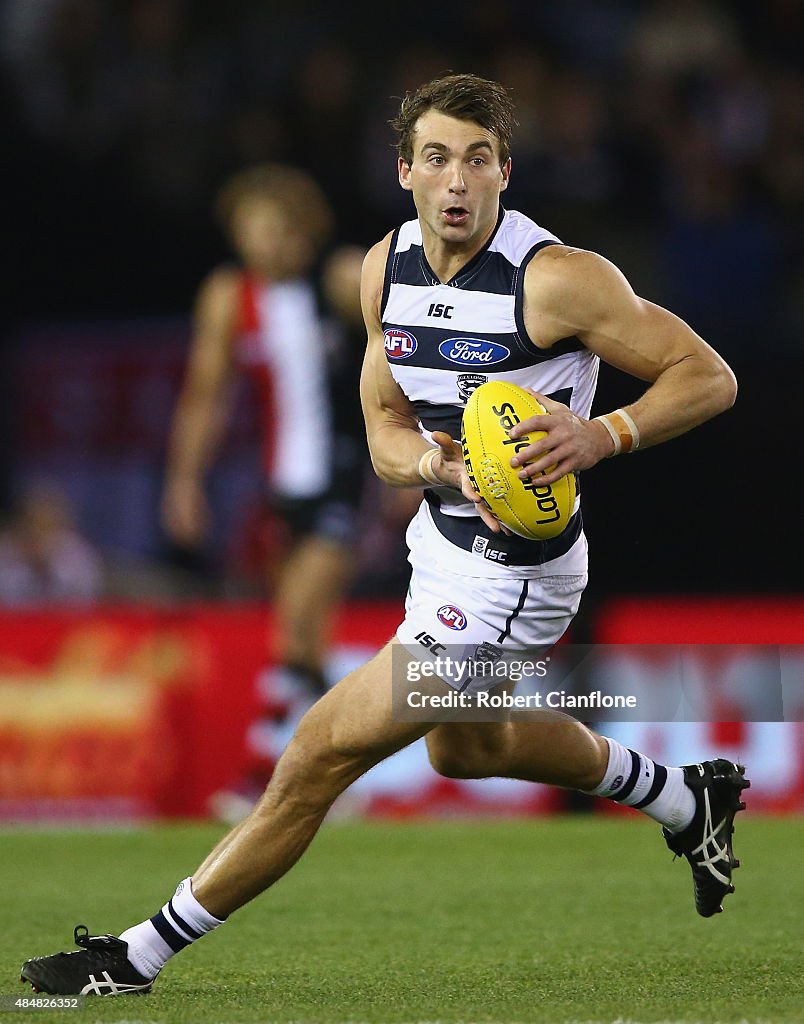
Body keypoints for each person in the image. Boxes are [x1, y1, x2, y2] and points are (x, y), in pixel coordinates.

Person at [21, 73, 749, 998]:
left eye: (477, 161)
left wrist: (602, 433)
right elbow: (383, 427)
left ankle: (134, 956)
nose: (457, 182)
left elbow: (709, 375)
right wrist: (440, 467)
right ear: (405, 171)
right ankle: (689, 798)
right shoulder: (383, 269)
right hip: (438, 549)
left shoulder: (558, 279)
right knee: (465, 748)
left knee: (320, 749)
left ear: (503, 173)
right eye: (438, 159)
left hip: (515, 571)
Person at [160, 164, 361, 816]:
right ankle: (341, 775)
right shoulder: (230, 296)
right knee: (304, 642)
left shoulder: (340, 280)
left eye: (278, 231)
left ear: (305, 234)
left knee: (297, 628)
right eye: (252, 232)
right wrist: (185, 482)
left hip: (345, 476)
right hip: (282, 487)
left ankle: (260, 781)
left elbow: (410, 356)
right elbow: (204, 397)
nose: (266, 245)